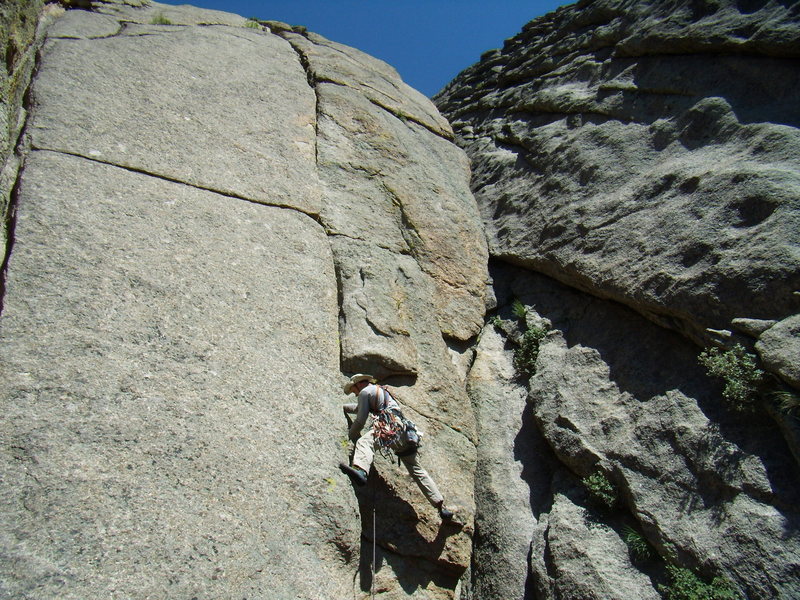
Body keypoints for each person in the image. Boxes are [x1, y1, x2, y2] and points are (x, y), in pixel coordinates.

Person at [339, 374, 457, 521]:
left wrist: (350, 435)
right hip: (404, 432)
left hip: (389, 427)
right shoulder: (380, 391)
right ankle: (440, 506)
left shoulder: (364, 392)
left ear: (358, 385)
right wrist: (342, 407)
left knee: (365, 442)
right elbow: (359, 408)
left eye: (353, 390)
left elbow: (361, 420)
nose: (355, 393)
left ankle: (361, 471)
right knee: (417, 469)